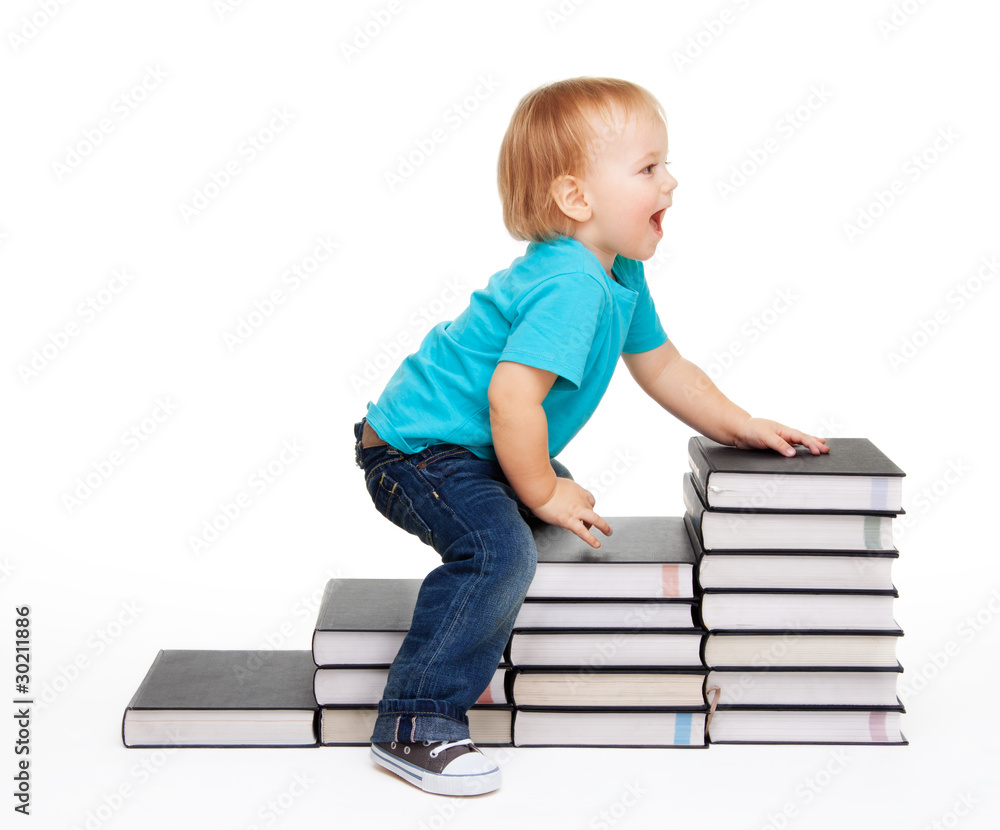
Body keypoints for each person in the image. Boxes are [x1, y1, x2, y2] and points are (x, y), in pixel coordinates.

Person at [353, 76, 828, 796]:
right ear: (578, 199)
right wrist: (539, 488)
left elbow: (664, 367)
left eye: (665, 163)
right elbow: (512, 398)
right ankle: (415, 723)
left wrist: (741, 422)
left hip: (468, 447)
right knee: (497, 550)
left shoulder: (619, 271)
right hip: (416, 453)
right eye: (648, 169)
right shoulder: (571, 283)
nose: (671, 181)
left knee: (535, 526)